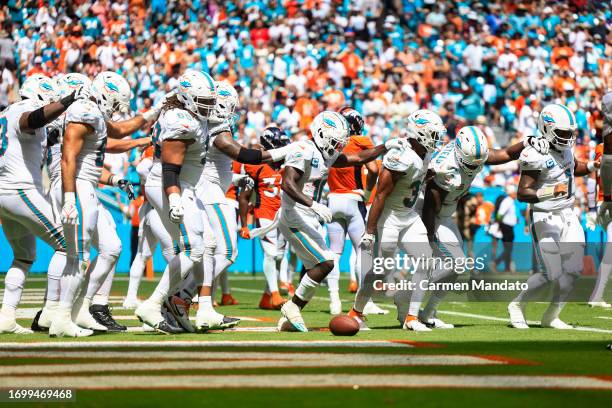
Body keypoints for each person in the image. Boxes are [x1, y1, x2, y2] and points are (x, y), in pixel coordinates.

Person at [277, 110, 407, 332]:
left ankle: (322, 304)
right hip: (309, 210)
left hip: (328, 203)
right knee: (355, 252)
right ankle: (294, 306)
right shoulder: (309, 150)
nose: (338, 147)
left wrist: (385, 145)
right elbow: (369, 166)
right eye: (335, 142)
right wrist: (365, 194)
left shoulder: (325, 153)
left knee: (328, 260)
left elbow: (357, 158)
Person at [52, 71, 158, 337]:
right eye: (116, 102)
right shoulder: (84, 110)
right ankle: (62, 316)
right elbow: (69, 158)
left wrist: (152, 115)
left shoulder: (93, 113)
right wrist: (68, 198)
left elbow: (117, 134)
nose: (117, 109)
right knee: (79, 256)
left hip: (87, 186)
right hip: (76, 186)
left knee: (111, 247)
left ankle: (82, 308)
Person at [0, 74, 86, 334]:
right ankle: (51, 312)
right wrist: (68, 100)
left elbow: (29, 139)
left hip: (6, 192)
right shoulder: (24, 111)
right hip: (20, 190)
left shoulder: (6, 112)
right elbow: (33, 119)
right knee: (69, 244)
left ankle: (6, 316)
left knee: (24, 256)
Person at [348, 109, 446, 332]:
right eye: (433, 133)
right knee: (380, 270)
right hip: (389, 218)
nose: (437, 138)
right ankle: (356, 312)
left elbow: (419, 176)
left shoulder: (425, 152)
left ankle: (411, 318)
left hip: (409, 216)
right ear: (419, 132)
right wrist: (370, 231)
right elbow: (381, 194)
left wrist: (434, 175)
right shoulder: (400, 154)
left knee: (426, 261)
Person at [508, 104, 599, 330]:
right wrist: (549, 191)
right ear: (546, 129)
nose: (568, 138)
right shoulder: (535, 154)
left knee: (574, 270)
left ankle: (552, 315)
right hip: (544, 215)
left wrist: (590, 166)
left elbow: (572, 166)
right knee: (551, 273)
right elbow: (522, 193)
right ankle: (517, 305)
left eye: (570, 133)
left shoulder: (564, 149)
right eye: (563, 133)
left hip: (568, 214)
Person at [326, 106, 387, 316]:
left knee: (334, 252)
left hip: (332, 199)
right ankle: (365, 302)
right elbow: (374, 169)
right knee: (363, 251)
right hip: (354, 199)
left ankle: (334, 300)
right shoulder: (361, 142)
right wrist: (368, 190)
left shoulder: (331, 140)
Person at [239, 126, 288, 310]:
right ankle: (275, 295)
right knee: (271, 254)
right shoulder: (256, 165)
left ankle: (267, 297)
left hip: (282, 215)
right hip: (265, 214)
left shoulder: (285, 164)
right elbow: (244, 196)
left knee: (280, 255)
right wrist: (244, 224)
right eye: (280, 144)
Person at [494, 185, 518, 272]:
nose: (516, 194)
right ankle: (496, 262)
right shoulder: (507, 201)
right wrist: (498, 225)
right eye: (514, 193)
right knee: (508, 248)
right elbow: (500, 214)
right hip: (506, 227)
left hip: (508, 226)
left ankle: (507, 268)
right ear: (511, 193)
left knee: (508, 248)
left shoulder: (510, 201)